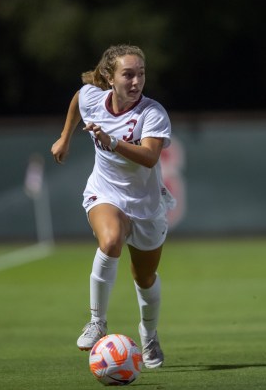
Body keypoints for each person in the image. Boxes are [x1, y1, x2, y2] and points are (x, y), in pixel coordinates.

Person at [50, 44, 174, 369]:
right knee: (110, 240)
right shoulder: (94, 97)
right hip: (105, 193)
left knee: (144, 278)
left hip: (146, 205)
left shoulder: (152, 113)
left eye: (141, 74)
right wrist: (65, 137)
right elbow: (79, 98)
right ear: (109, 76)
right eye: (128, 74)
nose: (136, 82)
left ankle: (148, 335)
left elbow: (149, 158)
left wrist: (113, 142)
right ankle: (97, 322)